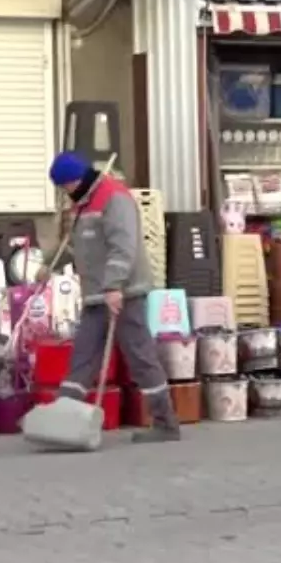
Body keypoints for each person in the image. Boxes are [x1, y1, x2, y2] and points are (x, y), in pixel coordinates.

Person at [40, 151, 181, 443]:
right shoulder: (82, 204)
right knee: (82, 357)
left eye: (65, 186)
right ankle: (64, 422)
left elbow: (123, 246)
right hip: (95, 294)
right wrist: (47, 264)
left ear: (76, 179)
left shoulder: (114, 199)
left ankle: (166, 423)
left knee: (140, 356)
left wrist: (114, 286)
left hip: (125, 293)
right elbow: (77, 244)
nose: (64, 193)